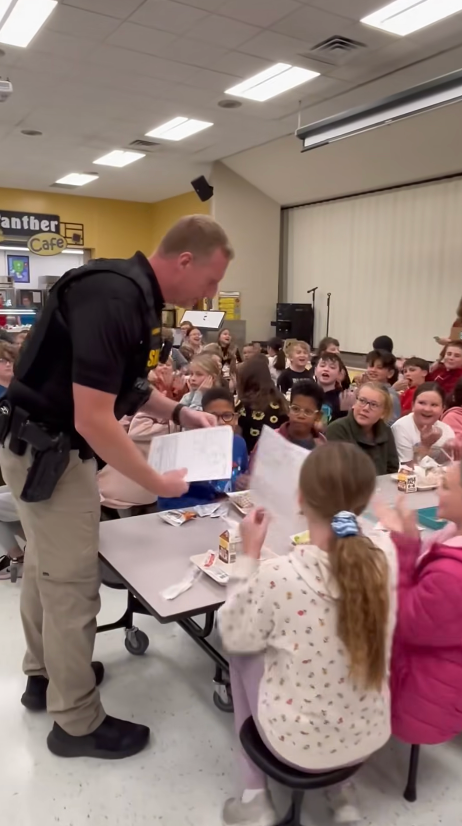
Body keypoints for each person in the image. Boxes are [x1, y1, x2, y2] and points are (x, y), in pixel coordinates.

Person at [0, 214, 233, 760]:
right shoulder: (114, 299)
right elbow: (93, 417)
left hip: (42, 448)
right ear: (184, 261)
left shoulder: (130, 295)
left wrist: (179, 411)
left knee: (46, 568)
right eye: (210, 280)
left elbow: (126, 385)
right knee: (72, 586)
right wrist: (154, 478)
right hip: (50, 454)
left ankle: (44, 677)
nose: (209, 295)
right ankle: (76, 722)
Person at [218, 442, 397, 826]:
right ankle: (342, 791)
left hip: (298, 746)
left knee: (240, 652)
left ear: (300, 498)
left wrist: (249, 554)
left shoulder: (280, 575)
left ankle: (254, 795)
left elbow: (233, 631)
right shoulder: (385, 558)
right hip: (369, 736)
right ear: (366, 499)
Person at [377, 465, 462, 745]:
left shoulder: (453, 574)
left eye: (445, 486)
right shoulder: (450, 538)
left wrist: (406, 545)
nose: (438, 491)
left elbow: (403, 621)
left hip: (420, 700)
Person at [158, 387, 249, 511]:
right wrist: (211, 504)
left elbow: (241, 473)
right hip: (195, 516)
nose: (221, 422)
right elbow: (165, 500)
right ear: (202, 418)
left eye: (227, 416)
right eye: (213, 416)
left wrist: (243, 483)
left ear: (235, 419)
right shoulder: (187, 448)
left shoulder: (239, 444)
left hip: (228, 514)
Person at [326, 383, 399, 475]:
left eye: (374, 405)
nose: (365, 408)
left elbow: (392, 469)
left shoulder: (385, 430)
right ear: (354, 403)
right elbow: (340, 473)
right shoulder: (337, 429)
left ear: (383, 412)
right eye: (362, 401)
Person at [391, 383, 455, 465]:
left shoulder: (446, 430)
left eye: (434, 405)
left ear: (442, 409)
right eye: (422, 403)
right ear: (413, 405)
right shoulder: (400, 428)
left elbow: (450, 465)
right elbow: (406, 469)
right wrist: (425, 445)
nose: (427, 409)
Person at [236, 356, 288, 453]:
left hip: (251, 455)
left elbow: (236, 436)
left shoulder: (244, 405)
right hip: (278, 452)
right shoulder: (280, 400)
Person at [277, 380, 326, 450]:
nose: (300, 416)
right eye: (295, 409)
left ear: (318, 416)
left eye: (308, 412)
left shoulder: (322, 444)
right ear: (288, 409)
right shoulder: (273, 438)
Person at [314, 352, 351, 426]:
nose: (326, 369)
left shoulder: (342, 398)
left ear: (339, 375)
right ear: (315, 371)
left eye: (332, 367)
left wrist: (344, 411)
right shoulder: (307, 392)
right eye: (322, 365)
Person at [365, 349, 400, 424]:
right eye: (371, 366)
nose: (373, 370)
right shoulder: (364, 390)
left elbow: (392, 423)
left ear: (390, 373)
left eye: (379, 367)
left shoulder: (391, 396)